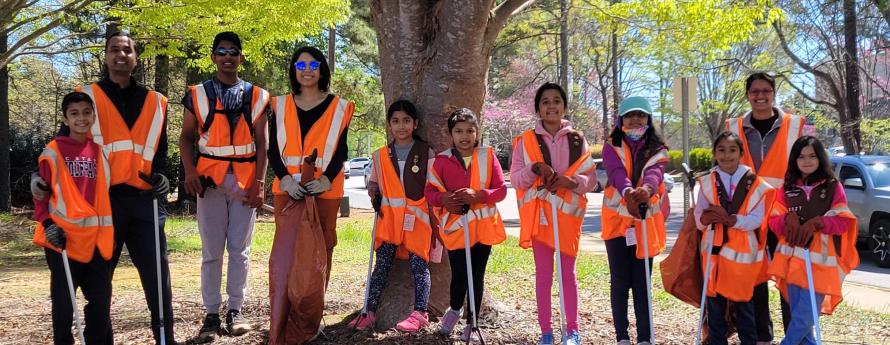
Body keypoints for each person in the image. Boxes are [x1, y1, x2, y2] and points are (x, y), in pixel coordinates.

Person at [28, 32, 176, 344]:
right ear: (106, 56)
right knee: (100, 284)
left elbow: (159, 152)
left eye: (127, 50)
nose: (121, 55)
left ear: (136, 57)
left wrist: (162, 176)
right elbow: (61, 145)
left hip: (145, 201)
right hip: (102, 204)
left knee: (157, 278)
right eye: (114, 50)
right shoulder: (87, 97)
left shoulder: (156, 102)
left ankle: (165, 339)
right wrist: (35, 177)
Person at [179, 32, 270, 342]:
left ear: (241, 57)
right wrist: (190, 170)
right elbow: (186, 136)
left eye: (233, 51)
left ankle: (236, 310)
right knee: (211, 251)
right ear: (213, 56)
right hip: (210, 181)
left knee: (240, 250)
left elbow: (262, 144)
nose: (227, 56)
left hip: (244, 180)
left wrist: (259, 184)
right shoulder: (198, 94)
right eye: (221, 51)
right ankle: (211, 314)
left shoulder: (257, 96)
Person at [266, 46, 354, 344]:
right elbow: (272, 150)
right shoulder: (277, 105)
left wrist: (327, 180)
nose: (307, 69)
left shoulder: (340, 107)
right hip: (289, 193)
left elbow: (341, 149)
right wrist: (286, 180)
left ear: (322, 69)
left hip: (324, 194)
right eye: (300, 64)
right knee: (286, 260)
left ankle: (309, 325)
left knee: (317, 258)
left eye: (313, 64)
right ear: (293, 69)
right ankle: (281, 327)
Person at [510, 83, 597, 345]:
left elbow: (591, 179)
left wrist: (570, 182)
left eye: (557, 100)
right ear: (538, 108)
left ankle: (572, 330)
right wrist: (534, 168)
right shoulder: (525, 141)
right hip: (540, 217)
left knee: (567, 275)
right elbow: (515, 179)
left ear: (565, 106)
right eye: (545, 101)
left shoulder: (577, 139)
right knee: (544, 275)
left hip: (568, 217)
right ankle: (546, 331)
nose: (551, 106)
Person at [727, 72, 808, 344]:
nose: (760, 96)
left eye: (765, 90)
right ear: (747, 94)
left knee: (789, 276)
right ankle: (762, 336)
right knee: (754, 277)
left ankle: (794, 336)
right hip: (749, 215)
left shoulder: (795, 126)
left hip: (786, 216)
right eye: (754, 91)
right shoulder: (734, 127)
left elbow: (809, 165)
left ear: (774, 93)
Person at [347, 100, 438, 332]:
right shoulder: (380, 155)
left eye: (406, 121)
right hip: (388, 220)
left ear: (415, 123)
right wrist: (373, 192)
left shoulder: (426, 152)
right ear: (388, 125)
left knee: (420, 267)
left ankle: (420, 312)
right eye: (396, 121)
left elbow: (434, 185)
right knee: (382, 266)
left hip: (416, 221)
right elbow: (374, 182)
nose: (401, 126)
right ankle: (369, 312)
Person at [32, 91, 114, 345]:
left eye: (87, 113)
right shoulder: (53, 151)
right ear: (66, 119)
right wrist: (47, 224)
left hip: (97, 241)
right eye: (74, 114)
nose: (81, 118)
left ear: (93, 116)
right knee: (64, 306)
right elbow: (41, 195)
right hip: (62, 238)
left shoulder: (100, 152)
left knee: (100, 305)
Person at [425, 108, 507, 342]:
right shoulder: (442, 161)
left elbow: (501, 191)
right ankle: (454, 310)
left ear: (477, 132)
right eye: (459, 131)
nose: (465, 136)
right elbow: (429, 192)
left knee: (477, 275)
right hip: (456, 228)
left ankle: (472, 323)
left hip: (482, 227)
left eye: (470, 130)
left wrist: (479, 195)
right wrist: (444, 199)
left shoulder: (487, 156)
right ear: (451, 134)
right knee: (460, 274)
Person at [767, 136, 859, 345]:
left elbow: (844, 222)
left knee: (803, 318)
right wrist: (786, 220)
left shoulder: (833, 187)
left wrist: (819, 223)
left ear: (820, 158)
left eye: (812, 156)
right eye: (801, 156)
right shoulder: (786, 188)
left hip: (820, 266)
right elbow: (773, 221)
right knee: (805, 327)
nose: (806, 161)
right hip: (791, 264)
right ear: (794, 160)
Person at [694, 131, 776, 345]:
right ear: (714, 153)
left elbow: (757, 219)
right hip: (714, 252)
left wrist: (731, 220)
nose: (727, 155)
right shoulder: (706, 183)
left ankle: (749, 341)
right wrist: (707, 218)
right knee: (715, 305)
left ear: (741, 153)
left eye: (732, 150)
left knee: (744, 305)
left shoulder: (756, 184)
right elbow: (699, 219)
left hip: (743, 256)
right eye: (721, 150)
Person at [600, 96, 669, 345]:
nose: (635, 119)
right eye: (630, 115)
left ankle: (645, 337)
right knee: (620, 281)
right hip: (617, 225)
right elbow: (616, 172)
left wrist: (647, 190)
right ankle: (622, 336)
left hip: (645, 224)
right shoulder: (611, 145)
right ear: (621, 120)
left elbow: (654, 173)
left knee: (642, 283)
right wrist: (629, 192)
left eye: (640, 115)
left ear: (649, 119)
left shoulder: (659, 149)